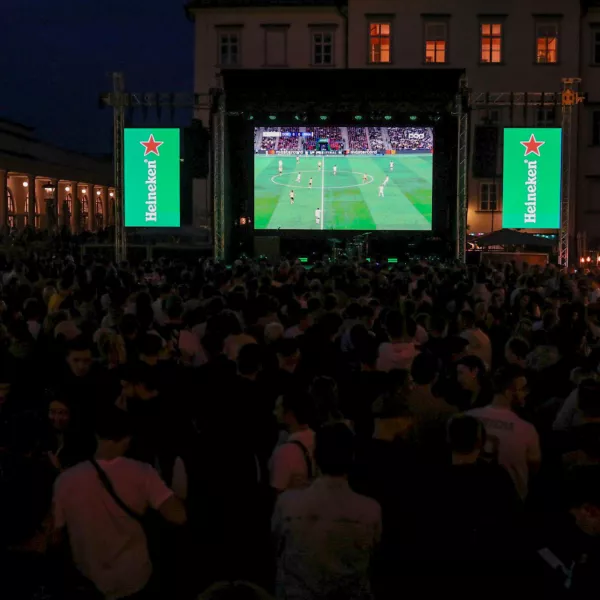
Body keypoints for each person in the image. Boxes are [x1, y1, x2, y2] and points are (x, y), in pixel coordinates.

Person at [53, 406, 186, 600]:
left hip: (89, 580)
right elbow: (178, 516)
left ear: (96, 435)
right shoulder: (143, 472)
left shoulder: (65, 480)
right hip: (134, 577)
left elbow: (56, 533)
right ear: (127, 438)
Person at [272, 423, 381, 600]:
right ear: (352, 458)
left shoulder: (287, 504)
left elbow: (276, 546)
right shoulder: (370, 511)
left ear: (315, 456)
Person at [468, 365, 541, 499]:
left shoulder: (468, 418)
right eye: (523, 389)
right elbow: (534, 469)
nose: (526, 393)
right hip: (511, 504)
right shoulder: (526, 430)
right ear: (508, 393)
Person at [269, 391, 316, 493]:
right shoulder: (317, 438)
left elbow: (277, 489)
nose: (274, 412)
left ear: (289, 414)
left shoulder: (285, 451)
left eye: (278, 408)